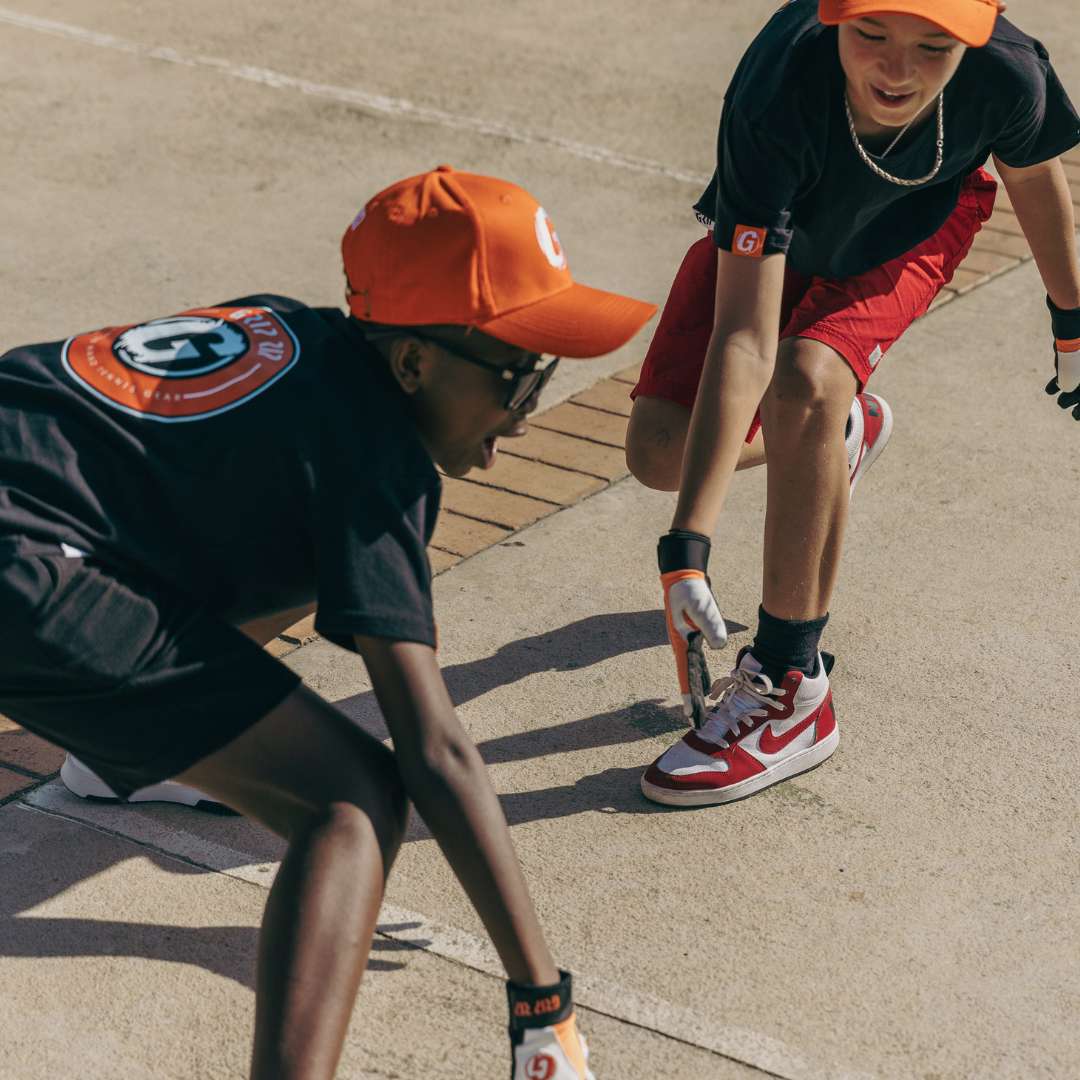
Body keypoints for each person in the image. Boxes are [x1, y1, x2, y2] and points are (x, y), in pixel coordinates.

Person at [0, 164, 657, 1079]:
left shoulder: (285, 332)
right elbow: (435, 752)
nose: (523, 410)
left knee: (286, 547)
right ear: (413, 361)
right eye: (517, 375)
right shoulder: (374, 464)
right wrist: (539, 1000)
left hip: (32, 506)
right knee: (349, 800)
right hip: (26, 564)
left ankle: (116, 762)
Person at [626, 0, 1080, 806]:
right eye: (871, 34)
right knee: (661, 453)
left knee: (805, 381)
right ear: (833, 15)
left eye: (932, 46)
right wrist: (686, 547)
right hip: (791, 225)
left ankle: (792, 686)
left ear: (972, 37)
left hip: (917, 225)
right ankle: (835, 438)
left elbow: (1034, 172)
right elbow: (743, 335)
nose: (896, 69)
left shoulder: (1008, 70)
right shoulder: (775, 97)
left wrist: (1073, 319)